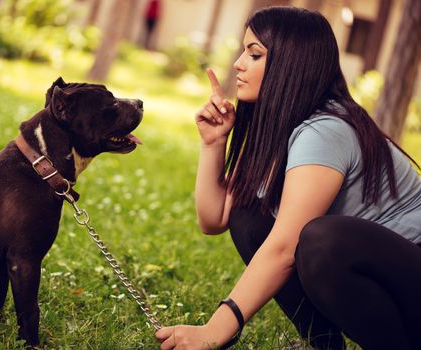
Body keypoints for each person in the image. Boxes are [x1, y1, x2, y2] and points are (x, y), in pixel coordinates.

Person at [155, 6, 421, 350]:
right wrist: (214, 143)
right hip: (386, 279)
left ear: (290, 64)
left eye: (254, 54)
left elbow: (284, 248)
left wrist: (214, 329)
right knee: (249, 216)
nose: (238, 63)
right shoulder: (279, 128)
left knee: (321, 240)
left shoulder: (325, 130)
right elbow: (216, 218)